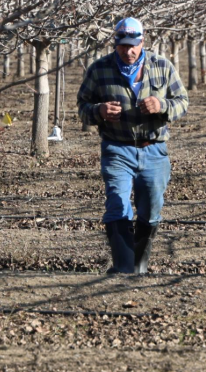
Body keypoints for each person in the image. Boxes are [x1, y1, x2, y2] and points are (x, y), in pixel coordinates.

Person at [77, 17, 189, 274]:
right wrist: (99, 110)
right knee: (117, 203)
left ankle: (139, 264)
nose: (128, 51)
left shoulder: (162, 66)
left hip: (154, 149)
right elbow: (82, 107)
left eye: (133, 45)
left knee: (151, 208)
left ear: (142, 42)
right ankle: (124, 268)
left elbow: (182, 101)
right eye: (122, 46)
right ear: (114, 43)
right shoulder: (99, 69)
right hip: (117, 148)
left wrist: (162, 106)